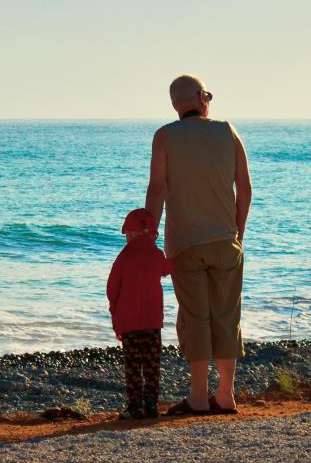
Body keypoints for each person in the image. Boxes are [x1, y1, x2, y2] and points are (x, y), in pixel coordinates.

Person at [145, 74, 252, 415]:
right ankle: (225, 394)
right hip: (225, 240)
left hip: (185, 243)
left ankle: (197, 396)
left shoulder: (164, 137)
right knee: (225, 316)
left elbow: (157, 189)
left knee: (195, 318)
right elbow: (245, 189)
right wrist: (238, 232)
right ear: (201, 98)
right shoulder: (227, 131)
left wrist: (150, 236)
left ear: (177, 104)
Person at [106, 207, 172, 420]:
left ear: (131, 234)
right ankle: (151, 405)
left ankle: (134, 407)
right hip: (152, 323)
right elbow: (167, 268)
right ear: (152, 234)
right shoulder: (156, 254)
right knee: (152, 365)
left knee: (133, 367)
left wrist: (115, 316)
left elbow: (112, 290)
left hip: (130, 325)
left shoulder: (124, 257)